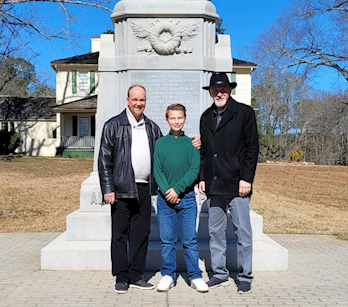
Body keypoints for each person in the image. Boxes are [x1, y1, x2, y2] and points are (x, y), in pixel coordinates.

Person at [98, 85, 201, 294]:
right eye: (135, 99)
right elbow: (104, 159)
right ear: (127, 100)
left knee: (141, 233)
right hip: (121, 188)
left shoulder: (152, 127)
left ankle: (136, 275)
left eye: (142, 100)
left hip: (145, 189)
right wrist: (107, 188)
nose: (138, 103)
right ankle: (121, 277)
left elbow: (168, 151)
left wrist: (195, 142)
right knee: (120, 234)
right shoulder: (113, 125)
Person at [198, 73, 260, 294]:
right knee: (215, 232)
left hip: (237, 184)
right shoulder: (205, 116)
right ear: (210, 92)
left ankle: (245, 276)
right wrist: (202, 178)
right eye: (215, 90)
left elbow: (252, 149)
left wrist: (247, 179)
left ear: (230, 90)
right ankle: (219, 274)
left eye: (223, 89)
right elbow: (204, 152)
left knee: (242, 232)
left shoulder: (244, 113)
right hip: (214, 185)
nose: (219, 93)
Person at [153, 104, 208, 293]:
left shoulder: (192, 143)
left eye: (180, 118)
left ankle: (195, 275)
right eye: (172, 118)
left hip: (187, 199)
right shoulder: (160, 143)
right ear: (167, 120)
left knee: (190, 240)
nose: (176, 121)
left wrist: (177, 189)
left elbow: (194, 170)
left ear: (185, 119)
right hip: (164, 199)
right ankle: (168, 274)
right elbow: (157, 170)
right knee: (167, 240)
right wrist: (168, 190)